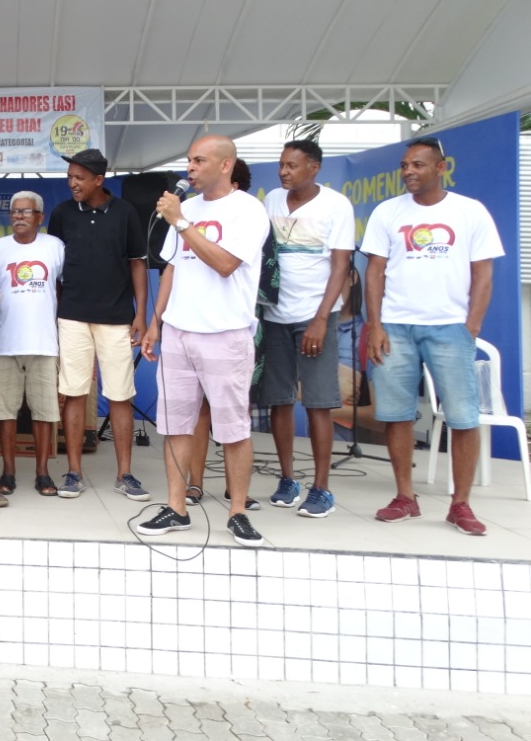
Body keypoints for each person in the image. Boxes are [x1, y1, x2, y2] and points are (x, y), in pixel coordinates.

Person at [363, 135, 503, 536]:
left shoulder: (470, 211)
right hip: (395, 327)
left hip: (450, 328)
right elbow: (374, 272)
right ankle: (405, 497)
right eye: (405, 166)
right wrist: (375, 326)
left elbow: (483, 274)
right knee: (396, 415)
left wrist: (470, 326)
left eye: (418, 165)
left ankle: (461, 505)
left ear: (441, 168)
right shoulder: (387, 212)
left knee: (462, 417)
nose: (408, 172)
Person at [139, 135, 270, 548]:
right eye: (189, 160)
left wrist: (181, 222)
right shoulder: (189, 208)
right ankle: (176, 507)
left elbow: (226, 264)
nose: (190, 168)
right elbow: (172, 269)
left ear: (225, 165)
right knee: (176, 425)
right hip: (179, 332)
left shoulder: (247, 209)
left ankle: (238, 512)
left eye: (199, 160)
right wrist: (156, 323)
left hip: (225, 334)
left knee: (232, 428)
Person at [259, 140, 355, 518]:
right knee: (279, 401)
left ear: (314, 168)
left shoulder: (336, 205)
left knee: (318, 403)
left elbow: (341, 266)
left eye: (292, 166)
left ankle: (321, 488)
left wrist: (320, 319)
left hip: (315, 317)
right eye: (282, 165)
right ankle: (288, 479)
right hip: (274, 316)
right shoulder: (271, 201)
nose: (283, 172)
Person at [47, 148, 148, 501]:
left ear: (99, 180)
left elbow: (137, 263)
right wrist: (58, 309)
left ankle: (125, 474)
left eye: (79, 178)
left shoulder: (125, 212)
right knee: (74, 392)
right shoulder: (61, 214)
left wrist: (140, 314)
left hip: (116, 318)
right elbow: (55, 269)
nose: (72, 183)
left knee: (120, 395)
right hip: (72, 317)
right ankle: (73, 473)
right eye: (69, 177)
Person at [0, 192, 64, 497]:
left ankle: (43, 473)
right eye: (14, 212)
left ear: (39, 218)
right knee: (5, 412)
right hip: (6, 343)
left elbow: (64, 287)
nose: (18, 216)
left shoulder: (54, 246)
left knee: (44, 412)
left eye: (25, 212)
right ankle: (8, 472)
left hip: (43, 343)